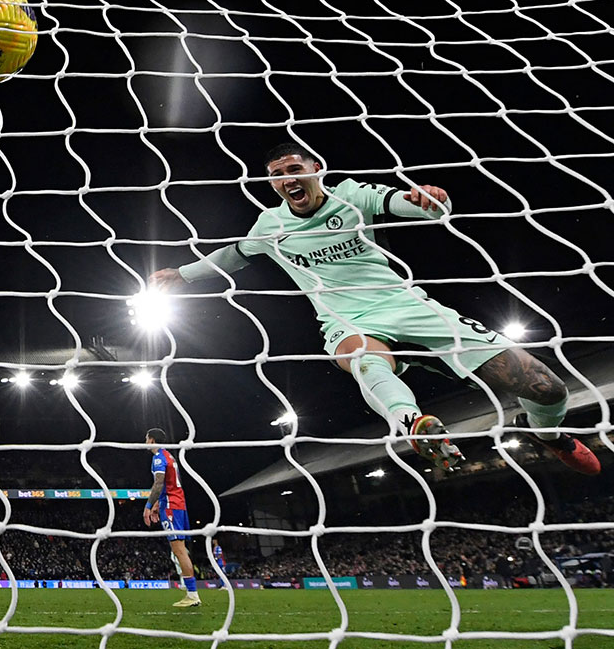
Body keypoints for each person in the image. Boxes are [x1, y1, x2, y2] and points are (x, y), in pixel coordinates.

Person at [150, 142, 600, 475]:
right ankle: (413, 424)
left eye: (294, 169)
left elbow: (409, 205)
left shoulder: (351, 195)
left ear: (316, 169)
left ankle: (548, 434)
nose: (287, 179)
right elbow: (233, 255)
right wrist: (182, 274)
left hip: (405, 304)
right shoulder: (271, 225)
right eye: (277, 175)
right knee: (364, 357)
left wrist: (429, 200)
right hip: (346, 320)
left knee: (546, 388)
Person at [143, 428, 200, 607]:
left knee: (178, 550)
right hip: (177, 503)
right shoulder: (169, 456)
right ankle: (191, 592)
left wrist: (148, 506)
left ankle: (192, 595)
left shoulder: (158, 458)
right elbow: (171, 483)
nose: (145, 442)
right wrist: (157, 505)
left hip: (171, 506)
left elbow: (159, 483)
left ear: (152, 440)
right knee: (180, 549)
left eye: (146, 439)